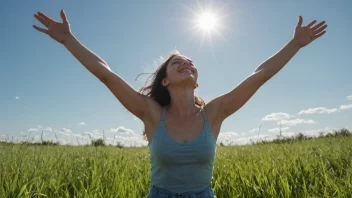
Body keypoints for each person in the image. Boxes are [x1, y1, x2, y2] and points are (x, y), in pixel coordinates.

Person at [33, 9, 327, 198]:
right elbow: (106, 75)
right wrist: (68, 40)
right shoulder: (151, 113)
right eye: (177, 62)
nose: (186, 62)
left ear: (196, 80)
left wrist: (295, 44)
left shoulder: (214, 112)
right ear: (165, 81)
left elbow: (259, 75)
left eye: (189, 61)